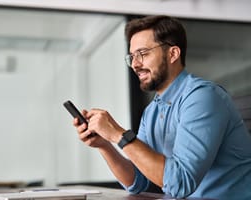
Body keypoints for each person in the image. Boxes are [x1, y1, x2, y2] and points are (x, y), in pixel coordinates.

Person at [72, 15, 251, 200]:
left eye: (143, 53)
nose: (135, 64)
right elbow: (138, 180)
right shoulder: (153, 110)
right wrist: (105, 145)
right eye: (132, 56)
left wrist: (119, 134)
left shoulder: (202, 97)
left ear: (173, 54)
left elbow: (181, 183)